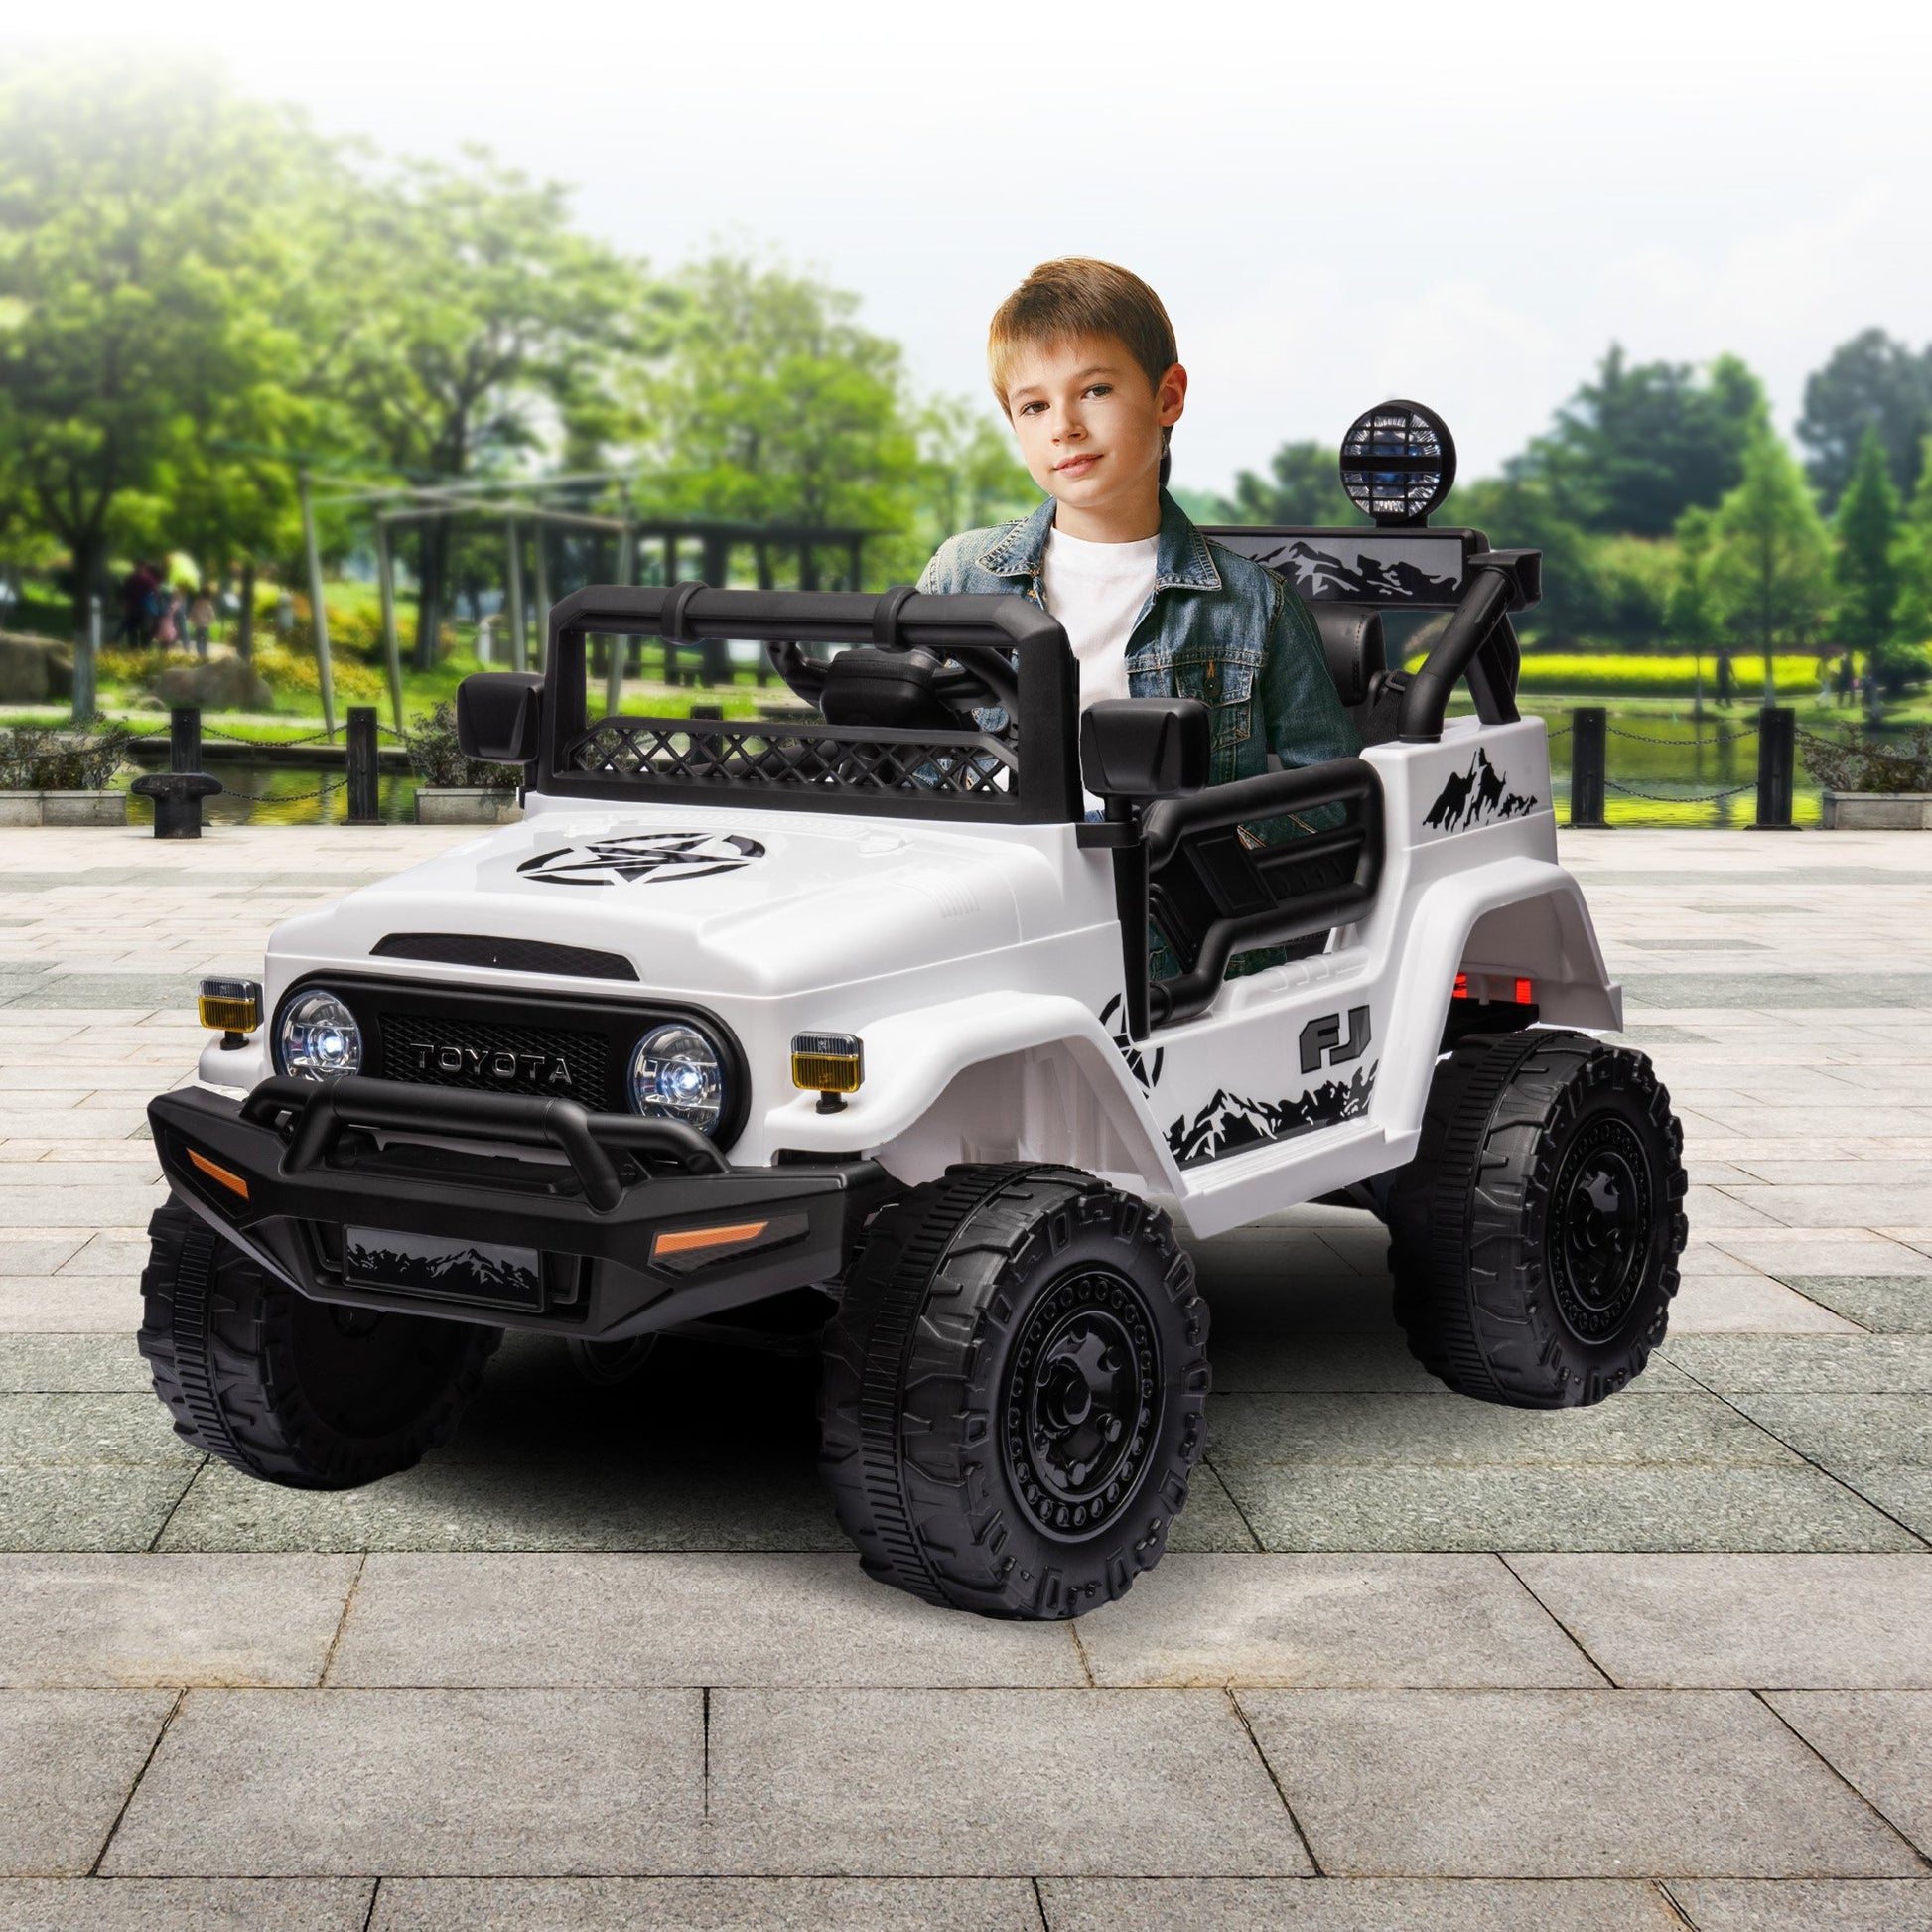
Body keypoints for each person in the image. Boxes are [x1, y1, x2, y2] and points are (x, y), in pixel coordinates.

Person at [917, 258, 1357, 977]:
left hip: (1179, 943)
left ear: (1167, 396)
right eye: (1033, 406)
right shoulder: (964, 575)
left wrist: (1192, 843)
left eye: (1094, 389)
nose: (1064, 426)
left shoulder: (1253, 605)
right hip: (989, 914)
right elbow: (899, 756)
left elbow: (1331, 802)